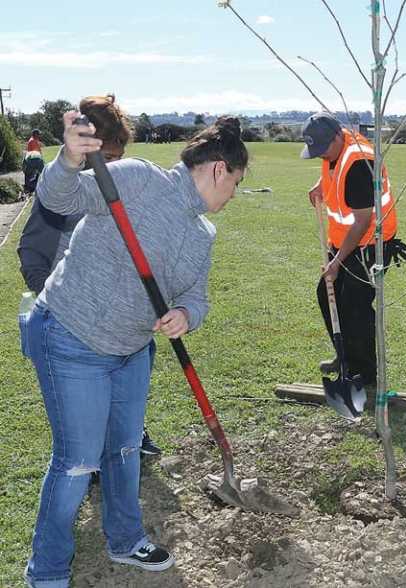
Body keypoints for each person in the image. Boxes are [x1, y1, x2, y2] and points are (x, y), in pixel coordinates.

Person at [23, 112, 247, 587]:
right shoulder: (137, 178)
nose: (232, 196)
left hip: (131, 351)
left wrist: (186, 314)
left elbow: (197, 295)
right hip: (70, 336)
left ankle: (124, 540)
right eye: (236, 184)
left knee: (124, 450)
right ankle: (47, 570)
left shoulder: (202, 234)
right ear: (218, 169)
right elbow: (57, 197)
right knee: (77, 460)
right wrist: (67, 158)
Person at [17, 95, 161, 456]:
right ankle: (91, 451)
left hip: (118, 304)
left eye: (119, 158)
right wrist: (58, 302)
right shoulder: (65, 191)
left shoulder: (117, 186)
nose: (116, 168)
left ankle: (131, 431)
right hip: (72, 312)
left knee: (138, 358)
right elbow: (31, 253)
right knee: (84, 389)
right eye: (109, 159)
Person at [301, 112, 406, 392]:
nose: (321, 155)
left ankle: (364, 374)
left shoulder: (360, 162)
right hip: (345, 240)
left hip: (371, 242)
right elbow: (334, 169)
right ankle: (345, 355)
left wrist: (337, 260)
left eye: (324, 149)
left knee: (355, 307)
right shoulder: (337, 149)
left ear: (338, 136)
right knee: (327, 294)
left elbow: (361, 221)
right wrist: (321, 184)